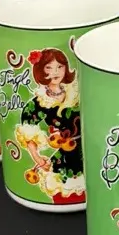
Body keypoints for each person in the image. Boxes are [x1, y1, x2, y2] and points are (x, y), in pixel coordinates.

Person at [15, 49, 84, 205]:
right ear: (40, 70)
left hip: (84, 153)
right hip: (63, 158)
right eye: (49, 67)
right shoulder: (40, 101)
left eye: (60, 67)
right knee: (63, 192)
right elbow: (28, 131)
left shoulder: (76, 91)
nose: (55, 72)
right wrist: (37, 157)